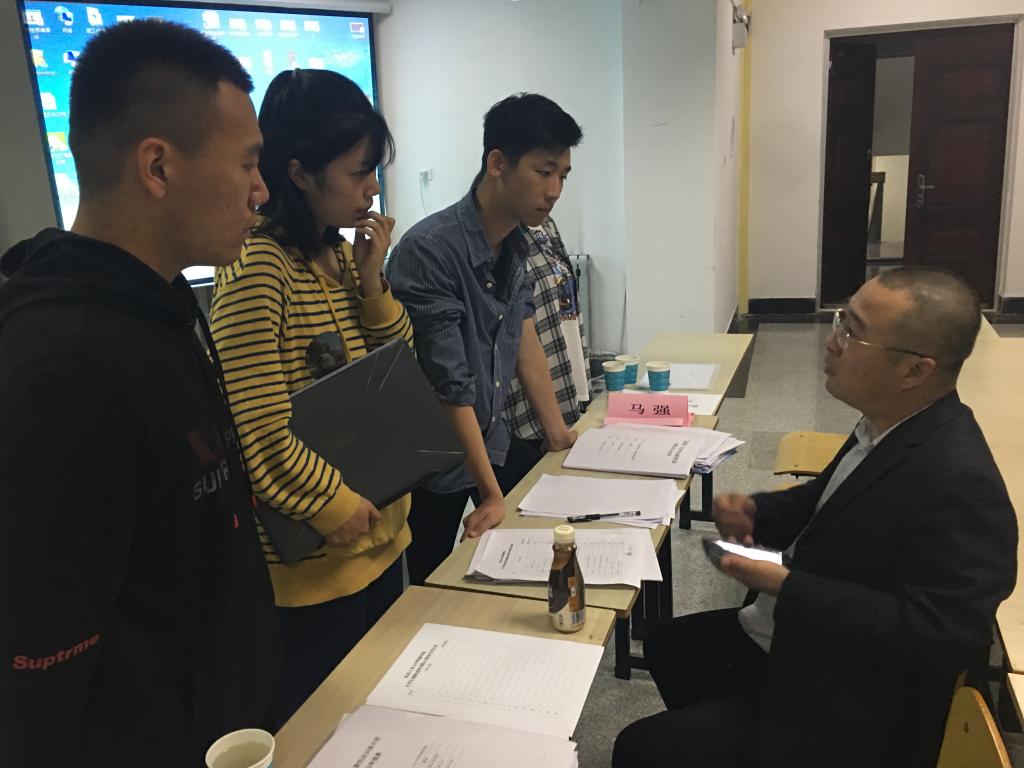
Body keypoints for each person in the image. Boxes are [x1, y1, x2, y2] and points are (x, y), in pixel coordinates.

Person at [0, 20, 279, 767]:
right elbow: (41, 666)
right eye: (247, 163)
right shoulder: (67, 364)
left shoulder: (160, 305)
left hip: (220, 725)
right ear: (157, 166)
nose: (261, 191)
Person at [614, 268, 1018, 768]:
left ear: (915, 371)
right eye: (840, 321)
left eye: (853, 332)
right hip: (803, 638)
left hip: (854, 704)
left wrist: (787, 585)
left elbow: (940, 635)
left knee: (641, 747)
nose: (833, 342)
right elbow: (827, 499)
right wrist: (757, 512)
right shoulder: (887, 424)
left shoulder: (961, 482)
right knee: (669, 646)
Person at [208, 69, 413, 727]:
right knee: (324, 728)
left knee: (378, 715)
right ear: (298, 173)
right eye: (359, 172)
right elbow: (256, 425)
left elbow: (397, 373)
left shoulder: (338, 254)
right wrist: (333, 505)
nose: (372, 188)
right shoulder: (258, 268)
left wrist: (372, 282)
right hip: (319, 558)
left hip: (379, 536)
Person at [386, 93, 582, 586]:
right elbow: (450, 385)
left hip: (489, 436)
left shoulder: (520, 240)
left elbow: (524, 338)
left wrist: (557, 433)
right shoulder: (430, 249)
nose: (555, 190)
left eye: (563, 175)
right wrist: (492, 494)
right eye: (544, 172)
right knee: (430, 587)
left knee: (545, 541)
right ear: (497, 163)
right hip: (433, 458)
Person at [505, 216, 590, 451]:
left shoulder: (546, 224)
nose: (554, 196)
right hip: (529, 407)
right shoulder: (500, 234)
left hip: (565, 380)